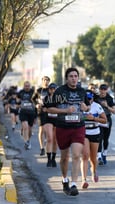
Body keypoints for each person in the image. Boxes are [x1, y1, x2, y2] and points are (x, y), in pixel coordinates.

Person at [46, 68, 90, 196]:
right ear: (67, 78)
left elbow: (87, 107)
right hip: (62, 127)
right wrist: (65, 111)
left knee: (76, 154)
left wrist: (85, 107)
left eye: (76, 76)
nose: (74, 78)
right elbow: (50, 109)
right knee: (65, 157)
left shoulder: (82, 91)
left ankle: (74, 184)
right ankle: (65, 179)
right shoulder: (60, 91)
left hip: (78, 126)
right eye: (71, 76)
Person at [81, 91, 107, 189]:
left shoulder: (97, 106)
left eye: (90, 98)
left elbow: (105, 120)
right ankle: (84, 179)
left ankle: (94, 171)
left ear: (93, 98)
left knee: (93, 157)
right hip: (84, 133)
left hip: (95, 132)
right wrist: (83, 117)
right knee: (85, 155)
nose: (89, 100)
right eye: (87, 99)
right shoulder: (80, 106)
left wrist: (94, 118)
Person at [95, 84, 115, 165]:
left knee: (106, 139)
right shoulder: (96, 98)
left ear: (107, 90)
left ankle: (104, 154)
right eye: (101, 89)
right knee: (99, 137)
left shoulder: (110, 98)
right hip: (99, 119)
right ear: (99, 90)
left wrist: (107, 106)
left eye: (105, 89)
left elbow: (114, 111)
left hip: (107, 120)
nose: (103, 91)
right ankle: (99, 156)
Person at [40, 82, 59, 168]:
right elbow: (43, 108)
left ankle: (53, 158)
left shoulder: (60, 99)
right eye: (51, 89)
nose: (53, 90)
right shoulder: (46, 98)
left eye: (54, 89)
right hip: (48, 119)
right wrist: (43, 108)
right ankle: (48, 159)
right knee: (50, 138)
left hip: (57, 120)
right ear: (49, 90)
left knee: (55, 140)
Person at [34, 76, 51, 156]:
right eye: (44, 80)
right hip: (41, 112)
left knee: (48, 130)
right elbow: (33, 99)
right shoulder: (38, 90)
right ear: (42, 81)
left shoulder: (51, 90)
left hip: (50, 111)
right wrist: (36, 105)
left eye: (47, 80)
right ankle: (42, 148)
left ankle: (47, 144)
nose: (46, 82)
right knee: (41, 129)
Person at [17, 81, 37, 150]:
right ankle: (26, 142)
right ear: (24, 86)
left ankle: (28, 140)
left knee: (30, 129)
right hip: (23, 112)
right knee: (25, 127)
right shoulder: (21, 92)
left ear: (30, 86)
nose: (27, 87)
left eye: (28, 86)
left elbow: (36, 102)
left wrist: (36, 116)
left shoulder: (33, 92)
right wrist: (19, 104)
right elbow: (17, 100)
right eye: (26, 86)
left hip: (31, 113)